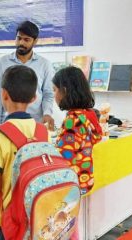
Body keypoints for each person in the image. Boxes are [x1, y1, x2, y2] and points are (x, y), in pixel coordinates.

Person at [0, 65, 38, 240]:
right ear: (34, 98)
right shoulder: (43, 132)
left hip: (8, 220)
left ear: (3, 94)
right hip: (36, 213)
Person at [0, 20, 55, 130]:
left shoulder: (45, 64)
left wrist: (47, 113)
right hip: (8, 123)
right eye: (19, 38)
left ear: (35, 41)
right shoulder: (2, 62)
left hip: (34, 124)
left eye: (26, 40)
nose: (21, 43)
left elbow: (48, 93)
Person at [53, 66, 102, 196]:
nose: (54, 95)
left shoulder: (72, 120)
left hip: (69, 185)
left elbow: (64, 156)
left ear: (63, 91)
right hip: (83, 179)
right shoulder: (87, 114)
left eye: (54, 90)